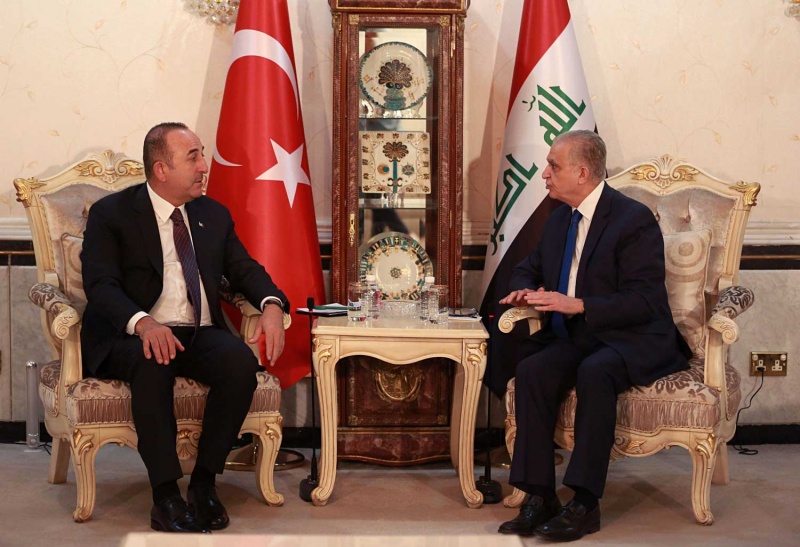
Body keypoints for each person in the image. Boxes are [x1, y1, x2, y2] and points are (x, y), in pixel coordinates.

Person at [80, 122, 289, 533]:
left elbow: (244, 268)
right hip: (133, 334)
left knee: (239, 364)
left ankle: (204, 483)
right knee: (153, 361)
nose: (203, 166)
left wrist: (271, 304)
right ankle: (165, 496)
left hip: (198, 331)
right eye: (193, 157)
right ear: (161, 169)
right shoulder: (112, 214)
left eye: (202, 155)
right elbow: (100, 284)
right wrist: (143, 323)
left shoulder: (213, 214)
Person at [496, 130, 691, 541]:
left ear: (582, 173)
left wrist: (579, 304)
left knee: (596, 371)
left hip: (634, 336)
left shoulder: (632, 219)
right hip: (582, 336)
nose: (545, 174)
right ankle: (539, 495)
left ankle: (585, 502)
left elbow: (644, 300)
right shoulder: (559, 219)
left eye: (554, 166)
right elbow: (528, 267)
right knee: (532, 370)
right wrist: (524, 290)